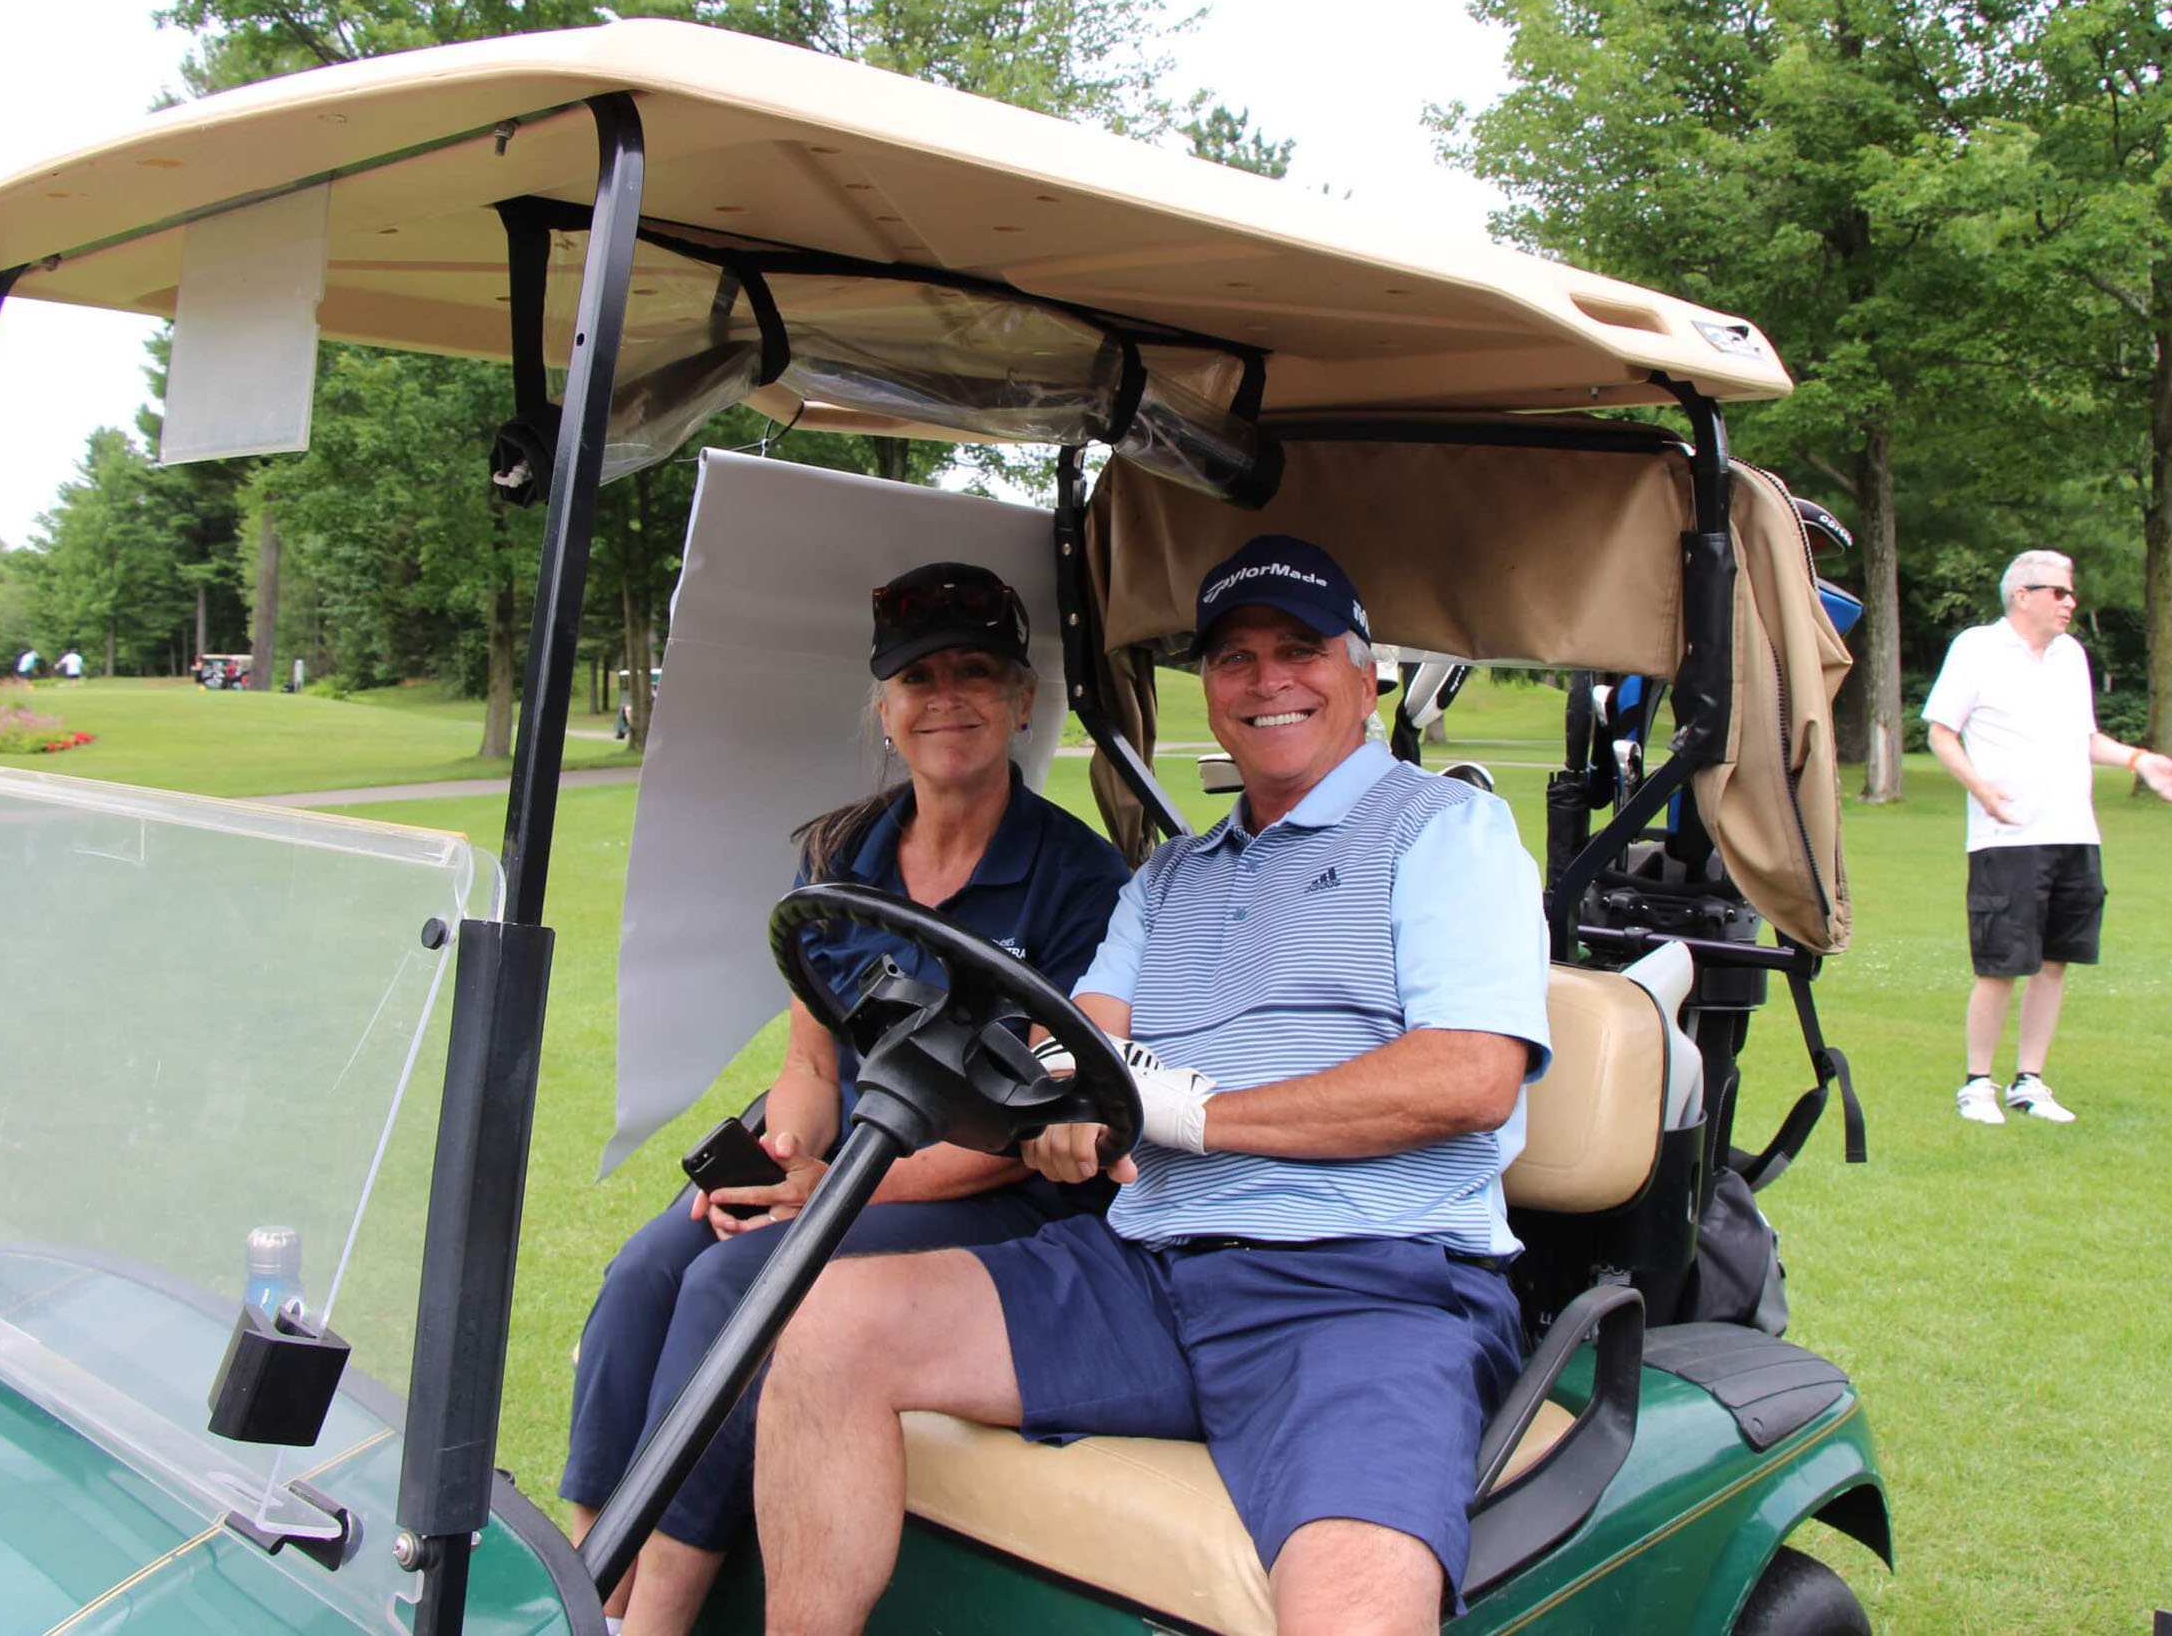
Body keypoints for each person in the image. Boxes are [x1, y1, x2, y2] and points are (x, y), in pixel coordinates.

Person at [749, 535, 1553, 1636]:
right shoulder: (1171, 876)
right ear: (1209, 693)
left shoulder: (1443, 831)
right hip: (1145, 1271)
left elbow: (1468, 1077)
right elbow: (1075, 1048)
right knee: (825, 1318)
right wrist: (1053, 1111)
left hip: (1363, 1290)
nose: (1267, 680)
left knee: (1354, 1607)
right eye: (1233, 658)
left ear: (1363, 678)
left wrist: (1194, 1115)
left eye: (1299, 649)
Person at [564, 561, 1130, 1636]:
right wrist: (781, 1162)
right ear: (883, 708)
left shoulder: (1081, 885)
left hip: (997, 1186)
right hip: (854, 1159)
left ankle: (653, 1621)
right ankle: (587, 1569)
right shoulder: (841, 855)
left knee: (736, 1284)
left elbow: (1036, 1125)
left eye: (977, 672)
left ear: (1021, 703)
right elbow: (814, 1066)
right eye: (919, 677)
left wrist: (831, 1197)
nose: (946, 697)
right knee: (648, 1272)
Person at [1922, 549, 2172, 1125]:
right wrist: (1982, 789)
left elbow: (2085, 739)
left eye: (2071, 593)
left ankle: (2030, 1082)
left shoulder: (2070, 656)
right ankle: (1977, 1084)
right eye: (2060, 593)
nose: (2071, 603)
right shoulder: (1977, 648)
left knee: (2054, 962)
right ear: (2023, 595)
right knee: (1999, 964)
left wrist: (2139, 760)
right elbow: (1942, 733)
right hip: (2007, 837)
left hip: (2074, 832)